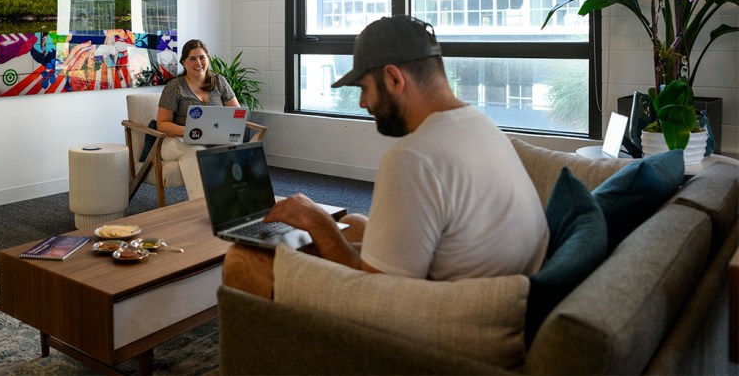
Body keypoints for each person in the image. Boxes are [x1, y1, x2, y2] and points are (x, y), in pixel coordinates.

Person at [223, 15, 549, 298]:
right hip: (496, 287)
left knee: (242, 259)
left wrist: (315, 219)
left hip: (438, 315)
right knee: (352, 223)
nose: (363, 103)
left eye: (364, 88)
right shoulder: (480, 124)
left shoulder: (413, 158)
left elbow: (376, 292)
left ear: (394, 78)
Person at [157, 39, 240, 200]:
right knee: (198, 154)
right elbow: (162, 124)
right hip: (177, 140)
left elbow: (236, 113)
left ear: (208, 59)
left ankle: (234, 202)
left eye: (202, 57)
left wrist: (217, 132)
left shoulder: (219, 81)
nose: (198, 62)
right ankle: (202, 207)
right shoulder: (174, 86)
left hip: (213, 138)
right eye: (192, 59)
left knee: (233, 151)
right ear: (184, 62)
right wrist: (191, 132)